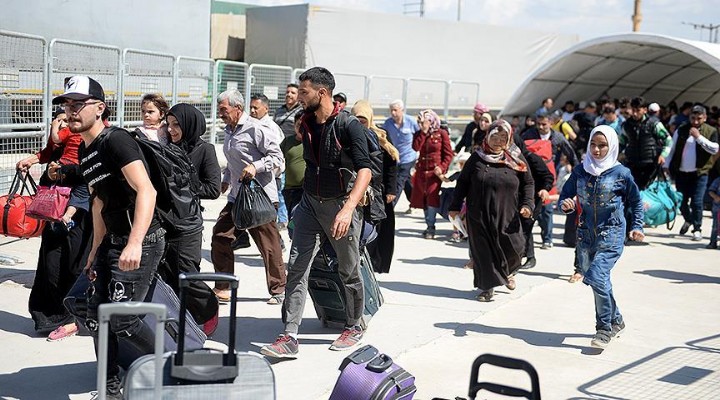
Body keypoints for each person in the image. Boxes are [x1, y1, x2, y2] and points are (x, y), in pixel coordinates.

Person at [59, 76, 164, 400]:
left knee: (123, 320)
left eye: (78, 104)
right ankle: (110, 390)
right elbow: (98, 202)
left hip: (142, 241)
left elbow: (146, 190)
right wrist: (94, 250)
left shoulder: (115, 141)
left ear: (100, 108)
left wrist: (134, 242)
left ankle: (168, 368)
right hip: (112, 241)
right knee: (96, 316)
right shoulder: (87, 151)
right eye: (67, 105)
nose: (70, 111)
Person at [260, 67, 372, 359]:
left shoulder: (349, 125)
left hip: (341, 205)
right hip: (310, 204)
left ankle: (354, 324)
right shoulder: (306, 121)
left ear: (322, 93)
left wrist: (348, 209)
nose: (298, 96)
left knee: (348, 270)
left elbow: (365, 170)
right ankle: (289, 335)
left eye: (304, 91)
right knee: (297, 267)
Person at [559, 125, 644, 349]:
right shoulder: (580, 170)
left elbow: (635, 202)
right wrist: (566, 205)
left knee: (597, 277)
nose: (596, 150)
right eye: (593, 145)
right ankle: (616, 320)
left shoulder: (621, 174)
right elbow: (566, 196)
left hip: (612, 233)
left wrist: (637, 226)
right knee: (599, 281)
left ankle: (603, 329)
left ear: (612, 146)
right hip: (586, 235)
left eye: (602, 145)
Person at [16, 107, 92, 341]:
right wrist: (33, 159)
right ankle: (51, 316)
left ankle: (74, 319)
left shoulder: (97, 137)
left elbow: (89, 171)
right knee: (51, 263)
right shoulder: (65, 133)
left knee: (74, 264)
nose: (67, 118)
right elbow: (52, 150)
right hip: (54, 209)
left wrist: (61, 171)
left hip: (80, 212)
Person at [212, 88, 286, 305]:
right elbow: (233, 159)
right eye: (220, 110)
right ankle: (223, 286)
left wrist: (256, 166)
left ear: (238, 108)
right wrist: (226, 179)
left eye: (224, 109)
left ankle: (279, 289)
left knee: (268, 245)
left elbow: (277, 158)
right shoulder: (229, 130)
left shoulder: (257, 128)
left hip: (259, 197)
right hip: (237, 195)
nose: (221, 114)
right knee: (220, 236)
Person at [449, 120, 534, 301]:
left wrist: (527, 205)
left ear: (509, 138)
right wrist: (455, 207)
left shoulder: (516, 158)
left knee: (514, 247)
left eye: (503, 137)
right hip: (478, 213)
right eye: (494, 136)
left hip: (507, 213)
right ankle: (487, 287)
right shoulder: (477, 157)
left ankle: (508, 271)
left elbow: (528, 183)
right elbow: (462, 182)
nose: (498, 141)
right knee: (483, 251)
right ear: (488, 136)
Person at [164, 103, 221, 335]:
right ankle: (183, 320)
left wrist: (186, 183)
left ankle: (208, 308)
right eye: (168, 125)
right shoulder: (166, 148)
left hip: (189, 221)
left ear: (189, 124)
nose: (171, 130)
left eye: (176, 125)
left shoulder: (204, 150)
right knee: (168, 271)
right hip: (166, 220)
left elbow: (213, 188)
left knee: (187, 271)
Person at [351, 100, 399, 274]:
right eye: (357, 118)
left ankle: (373, 265)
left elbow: (392, 164)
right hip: (357, 190)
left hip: (379, 191)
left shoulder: (381, 135)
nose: (360, 123)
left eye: (363, 119)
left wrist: (391, 189)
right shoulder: (348, 133)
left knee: (378, 230)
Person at [522, 112, 578, 249]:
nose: (541, 127)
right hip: (531, 176)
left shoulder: (557, 137)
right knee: (534, 209)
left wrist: (577, 170)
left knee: (547, 208)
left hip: (549, 176)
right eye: (539, 124)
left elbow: (570, 152)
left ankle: (547, 238)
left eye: (544, 124)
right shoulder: (528, 135)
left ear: (551, 123)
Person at [664, 105, 719, 240]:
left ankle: (697, 228)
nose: (695, 121)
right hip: (682, 172)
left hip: (700, 173)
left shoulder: (710, 130)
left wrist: (699, 137)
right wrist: (666, 164)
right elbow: (672, 148)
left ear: (704, 118)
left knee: (697, 201)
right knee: (681, 202)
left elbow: (715, 149)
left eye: (699, 118)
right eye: (693, 118)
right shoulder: (681, 129)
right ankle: (688, 219)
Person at [411, 109, 454, 239]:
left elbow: (448, 154)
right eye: (420, 121)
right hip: (421, 172)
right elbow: (415, 147)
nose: (422, 123)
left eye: (424, 121)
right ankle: (428, 223)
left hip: (434, 174)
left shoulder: (441, 134)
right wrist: (423, 133)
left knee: (432, 197)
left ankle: (431, 226)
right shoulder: (419, 134)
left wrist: (442, 167)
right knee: (423, 199)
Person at [250, 93, 288, 230]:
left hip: (271, 177)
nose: (253, 111)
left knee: (266, 214)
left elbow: (276, 157)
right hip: (258, 176)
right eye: (251, 107)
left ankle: (277, 243)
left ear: (266, 109)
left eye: (256, 107)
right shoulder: (253, 125)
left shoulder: (270, 128)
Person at [619, 97, 673, 190]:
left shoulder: (654, 124)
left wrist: (663, 155)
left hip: (650, 165)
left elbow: (668, 140)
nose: (635, 113)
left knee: (645, 190)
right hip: (632, 163)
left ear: (645, 110)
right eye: (633, 110)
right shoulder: (626, 125)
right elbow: (621, 142)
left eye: (638, 110)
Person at [382, 99, 419, 209]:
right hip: (395, 156)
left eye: (395, 110)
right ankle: (414, 201)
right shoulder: (387, 124)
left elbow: (420, 136)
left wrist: (419, 153)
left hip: (408, 157)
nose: (393, 113)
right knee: (406, 180)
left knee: (399, 180)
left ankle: (391, 206)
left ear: (402, 110)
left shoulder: (411, 122)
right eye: (391, 110)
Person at [280, 111, 306, 220]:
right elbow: (277, 158)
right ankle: (293, 236)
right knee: (292, 217)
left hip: (306, 189)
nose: (301, 128)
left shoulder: (313, 142)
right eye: (299, 125)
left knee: (298, 218)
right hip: (290, 189)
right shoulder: (288, 141)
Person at [706, 175, 720, 249]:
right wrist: (715, 197)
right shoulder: (718, 180)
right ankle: (713, 242)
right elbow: (711, 191)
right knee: (715, 226)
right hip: (718, 208)